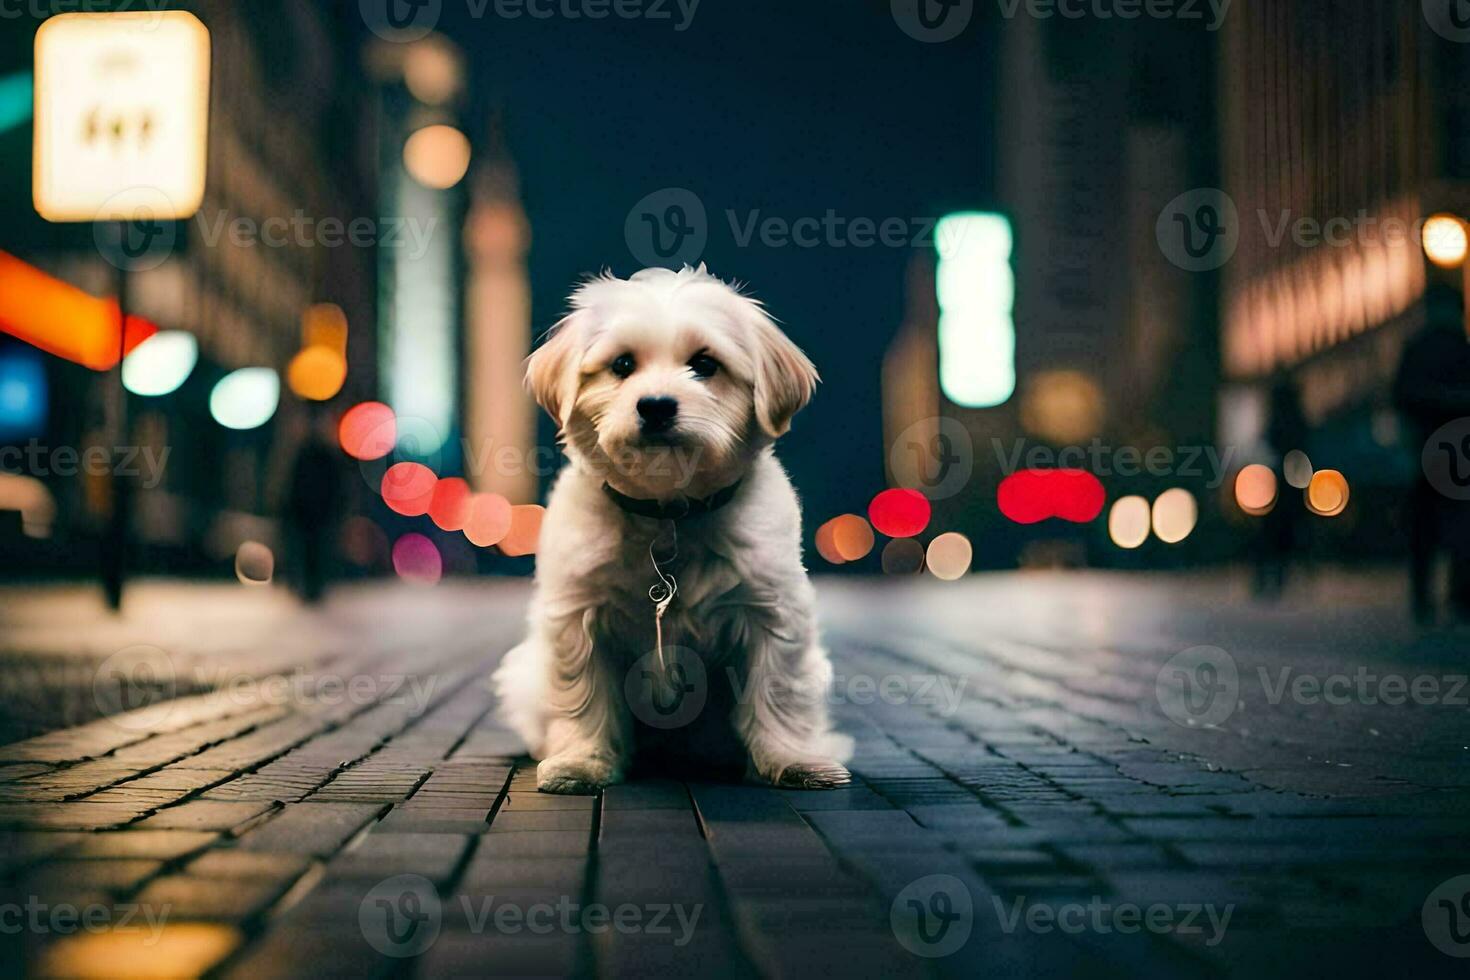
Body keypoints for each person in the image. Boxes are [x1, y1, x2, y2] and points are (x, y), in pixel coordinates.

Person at [1392, 283, 1470, 624]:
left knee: (1429, 525)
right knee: (1456, 525)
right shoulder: (1460, 349)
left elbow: (1402, 396)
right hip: (1455, 451)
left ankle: (1427, 596)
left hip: (1429, 448)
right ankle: (1455, 595)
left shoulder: (1420, 349)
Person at [1255, 373, 1307, 599]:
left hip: (1280, 481)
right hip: (1288, 479)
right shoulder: (1294, 419)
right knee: (1287, 529)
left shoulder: (1278, 420)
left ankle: (1271, 577)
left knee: (1275, 531)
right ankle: (1277, 575)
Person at [285, 411, 344, 603]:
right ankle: (307, 586)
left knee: (317, 550)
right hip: (305, 513)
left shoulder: (324, 456)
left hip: (320, 513)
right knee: (306, 549)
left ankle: (314, 587)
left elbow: (337, 487)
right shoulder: (303, 454)